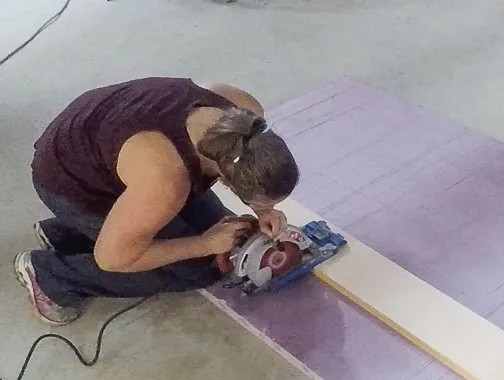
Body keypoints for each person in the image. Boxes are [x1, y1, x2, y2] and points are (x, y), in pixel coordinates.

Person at [15, 76, 300, 325]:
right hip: (68, 178)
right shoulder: (166, 182)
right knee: (202, 268)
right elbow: (112, 260)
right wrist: (204, 244)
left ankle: (64, 233)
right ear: (225, 178)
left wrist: (263, 209)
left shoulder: (245, 115)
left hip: (102, 133)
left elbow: (250, 164)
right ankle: (51, 276)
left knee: (223, 232)